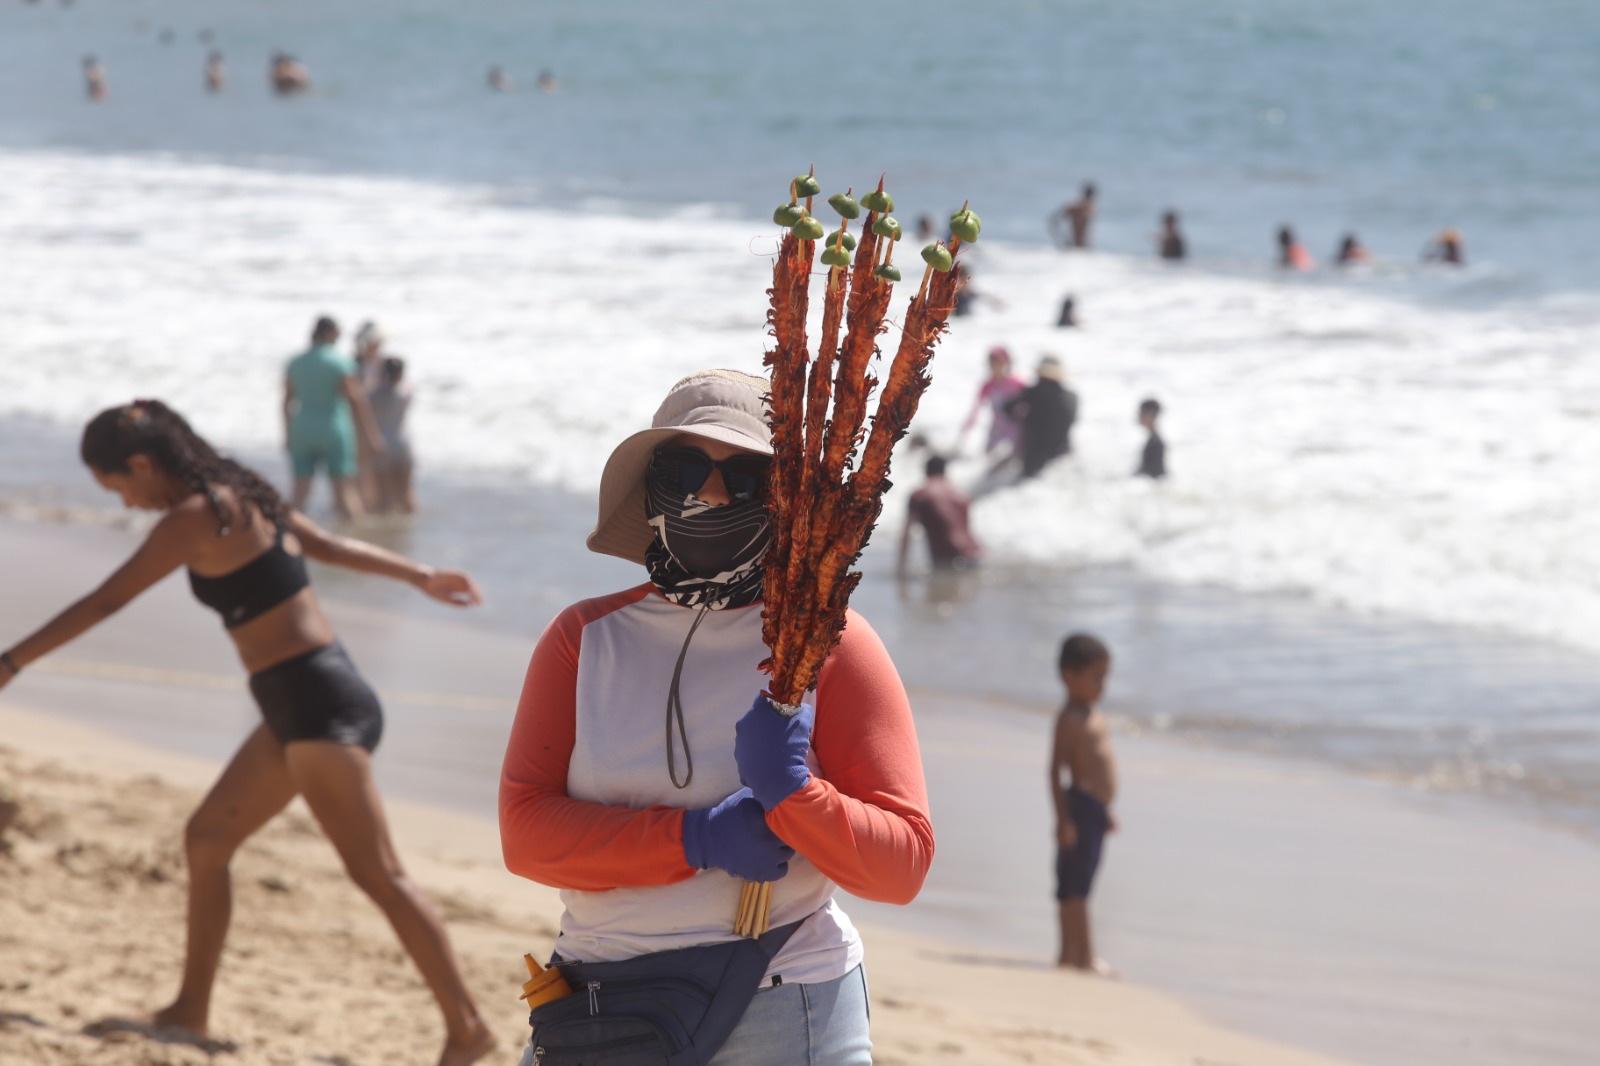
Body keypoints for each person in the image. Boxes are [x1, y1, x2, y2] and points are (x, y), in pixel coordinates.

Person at [0, 401, 495, 1066]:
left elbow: (107, 600)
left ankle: (468, 1028)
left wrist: (11, 661)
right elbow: (324, 545)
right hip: (297, 706)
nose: (126, 501)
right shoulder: (240, 498)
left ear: (143, 464)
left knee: (380, 875)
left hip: (320, 707)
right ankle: (191, 1010)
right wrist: (419, 575)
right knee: (207, 840)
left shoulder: (198, 516)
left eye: (119, 485)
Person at [500, 370, 933, 1066]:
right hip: (600, 1001)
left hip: (781, 999)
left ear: (784, 498)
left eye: (745, 477)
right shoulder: (583, 639)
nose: (709, 493)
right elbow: (525, 838)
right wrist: (696, 838)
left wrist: (797, 794)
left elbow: (901, 867)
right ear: (651, 488)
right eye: (685, 468)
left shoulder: (828, 643)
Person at [1049, 633, 1117, 972]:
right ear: (1069, 676)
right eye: (1096, 677)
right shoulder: (1070, 718)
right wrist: (1063, 819)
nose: (1102, 685)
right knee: (1075, 886)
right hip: (1078, 808)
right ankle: (1078, 954)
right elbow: (1055, 771)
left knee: (1083, 881)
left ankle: (1073, 954)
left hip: (1095, 810)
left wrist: (1106, 810)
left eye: (1105, 677)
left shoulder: (1093, 713)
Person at [284, 316, 383, 521]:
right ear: (330, 333)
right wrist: (371, 435)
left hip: (301, 427)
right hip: (333, 426)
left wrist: (287, 434)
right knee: (343, 492)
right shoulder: (339, 362)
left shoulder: (295, 362)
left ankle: (289, 539)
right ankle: (355, 541)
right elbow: (356, 401)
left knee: (299, 493)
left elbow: (286, 402)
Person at [897, 455, 980, 576]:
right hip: (974, 555)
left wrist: (901, 569)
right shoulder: (959, 494)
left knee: (940, 593)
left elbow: (907, 534)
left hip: (948, 560)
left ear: (926, 472)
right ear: (944, 472)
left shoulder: (921, 495)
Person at [1002, 355, 1077, 479]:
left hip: (1035, 454)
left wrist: (1023, 420)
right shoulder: (1072, 396)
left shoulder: (1032, 392)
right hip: (1063, 450)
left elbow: (1007, 408)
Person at [959, 345, 1026, 464]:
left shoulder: (1018, 383)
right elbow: (975, 411)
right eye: (992, 363)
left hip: (1015, 429)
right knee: (989, 461)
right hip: (996, 430)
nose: (995, 367)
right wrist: (965, 431)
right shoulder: (988, 385)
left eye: (998, 363)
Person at [369, 356, 416, 514]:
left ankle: (390, 531)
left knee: (384, 496)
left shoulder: (373, 394)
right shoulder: (405, 392)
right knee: (407, 492)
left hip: (382, 443)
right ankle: (409, 525)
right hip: (403, 442)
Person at [1049, 183, 1097, 249]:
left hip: (1079, 244)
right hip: (1077, 244)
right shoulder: (1081, 206)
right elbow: (1055, 218)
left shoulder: (1084, 206)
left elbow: (1055, 218)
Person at [1135, 398, 1166, 479]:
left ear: (1150, 414)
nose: (1138, 416)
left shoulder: (1156, 443)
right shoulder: (1153, 440)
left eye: (1141, 413)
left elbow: (1156, 473)